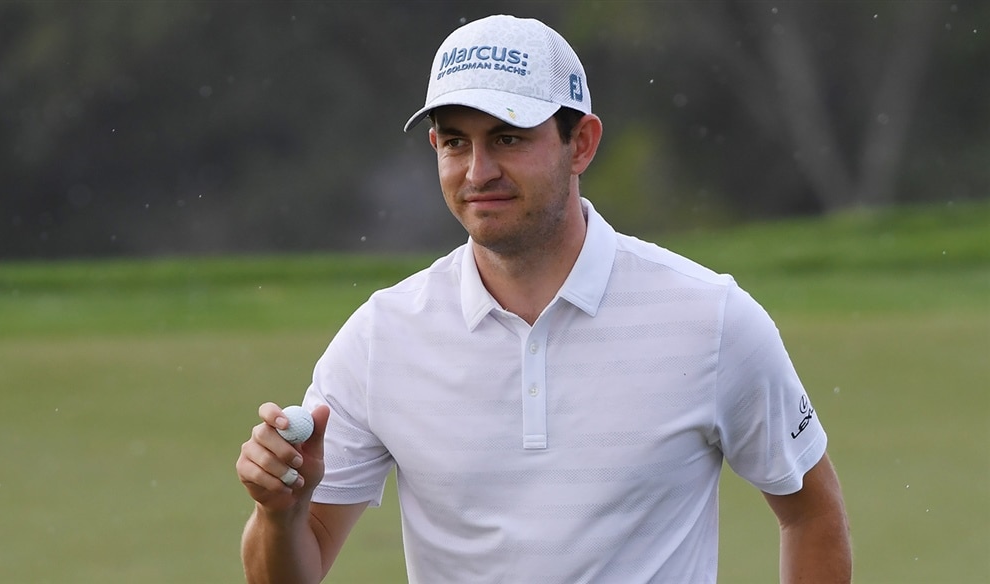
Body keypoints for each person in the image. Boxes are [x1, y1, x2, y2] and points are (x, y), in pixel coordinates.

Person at [236, 14, 851, 584]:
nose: (478, 171)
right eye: (455, 142)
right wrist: (281, 516)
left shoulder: (711, 318)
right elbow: (295, 565)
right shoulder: (382, 337)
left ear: (580, 143)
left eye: (507, 138)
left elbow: (810, 513)